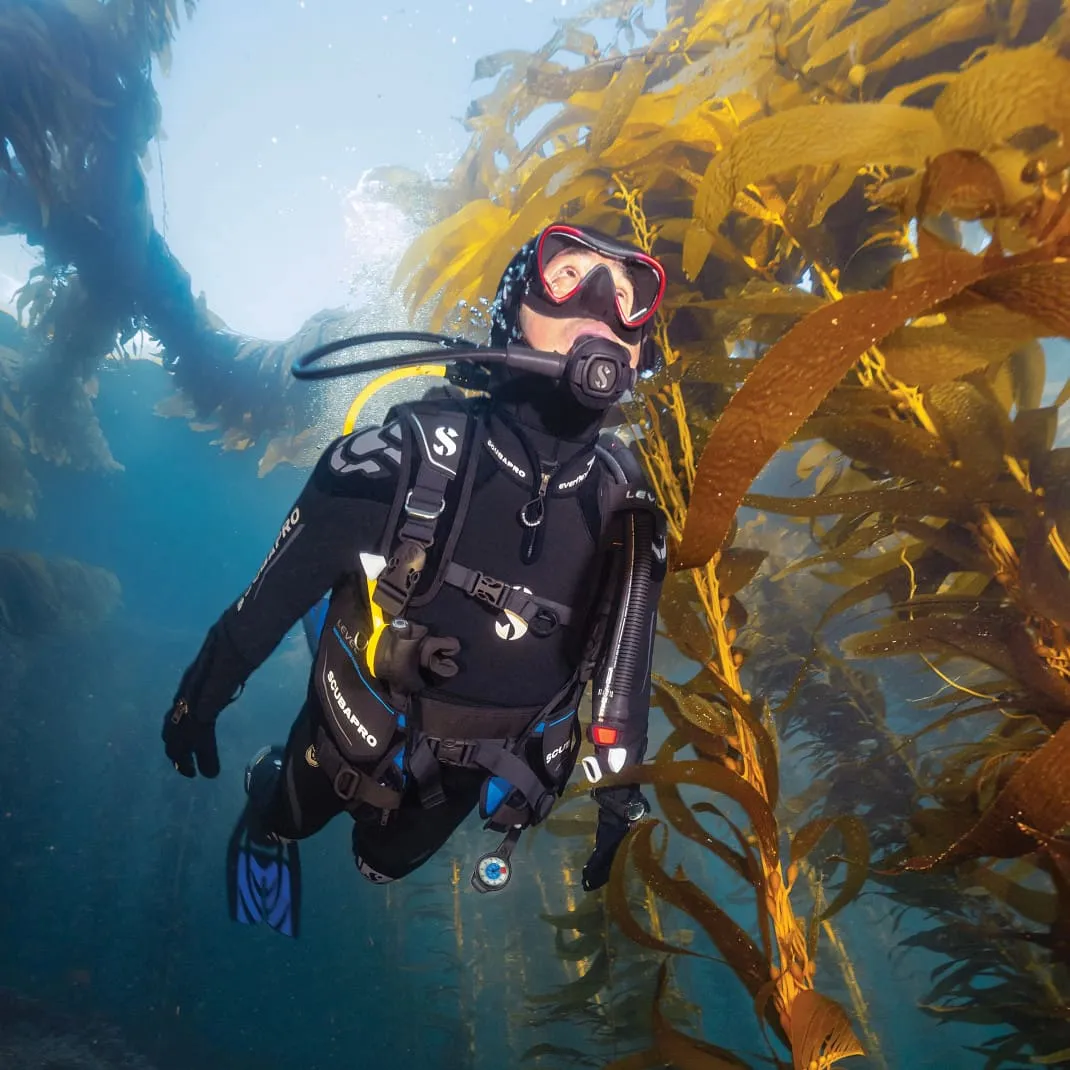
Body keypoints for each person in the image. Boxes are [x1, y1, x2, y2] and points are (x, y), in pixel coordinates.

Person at [162, 222, 669, 936]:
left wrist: (620, 798)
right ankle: (266, 793)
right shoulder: (393, 460)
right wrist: (199, 697)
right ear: (509, 312)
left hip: (479, 767)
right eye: (567, 274)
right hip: (354, 724)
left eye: (630, 294)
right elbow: (264, 603)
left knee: (381, 865)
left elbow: (627, 668)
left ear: (642, 352)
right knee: (291, 819)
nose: (600, 306)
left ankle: (362, 833)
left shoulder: (633, 509)